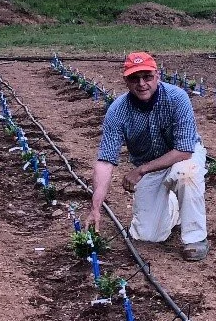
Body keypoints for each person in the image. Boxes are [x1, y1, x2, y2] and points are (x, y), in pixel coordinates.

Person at [88, 52, 208, 259]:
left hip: (182, 157)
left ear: (157, 76)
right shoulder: (117, 111)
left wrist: (141, 170)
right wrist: (95, 208)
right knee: (147, 235)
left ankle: (195, 238)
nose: (142, 83)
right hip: (149, 166)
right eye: (135, 78)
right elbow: (105, 161)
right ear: (126, 81)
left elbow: (184, 150)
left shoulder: (177, 98)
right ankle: (174, 207)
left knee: (186, 174)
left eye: (147, 77)